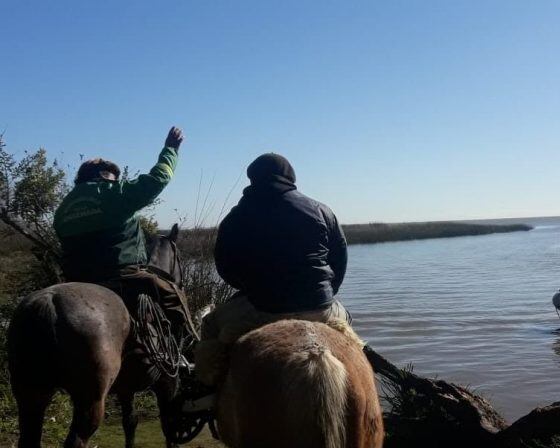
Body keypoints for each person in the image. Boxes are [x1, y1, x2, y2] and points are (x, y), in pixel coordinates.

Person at [194, 153, 356, 390]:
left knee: (210, 326)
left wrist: (249, 287)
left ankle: (208, 392)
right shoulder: (322, 210)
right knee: (349, 328)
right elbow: (339, 260)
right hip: (319, 307)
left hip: (261, 308)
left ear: (252, 179)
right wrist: (326, 294)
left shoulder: (236, 216)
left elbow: (225, 266)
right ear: (291, 178)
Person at [53, 127, 195, 339]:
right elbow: (159, 178)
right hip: (120, 276)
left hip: (75, 279)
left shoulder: (63, 207)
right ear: (102, 176)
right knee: (172, 295)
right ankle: (194, 352)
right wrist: (171, 150)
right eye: (113, 179)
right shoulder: (112, 192)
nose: (115, 182)